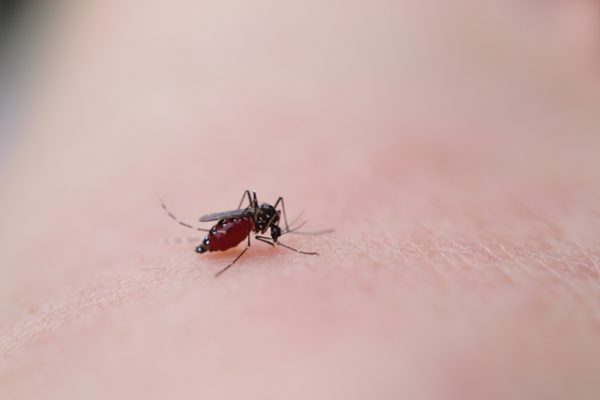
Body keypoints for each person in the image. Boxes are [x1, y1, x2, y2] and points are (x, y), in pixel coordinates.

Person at [1, 1, 599, 398]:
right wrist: (237, 238)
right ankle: (210, 239)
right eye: (270, 230)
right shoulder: (257, 227)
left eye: (266, 231)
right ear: (264, 228)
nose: (269, 231)